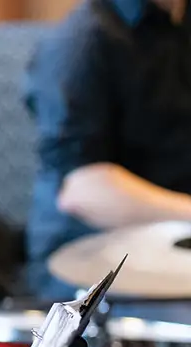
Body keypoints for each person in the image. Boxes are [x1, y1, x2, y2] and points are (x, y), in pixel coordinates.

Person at [22, 0, 191, 300]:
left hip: (178, 245)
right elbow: (85, 190)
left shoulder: (178, 25)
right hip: (93, 259)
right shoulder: (82, 41)